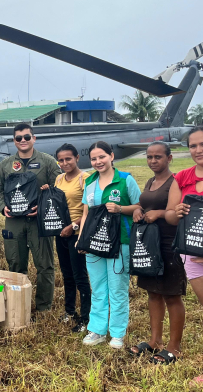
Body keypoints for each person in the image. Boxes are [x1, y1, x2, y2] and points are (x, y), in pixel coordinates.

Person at [165, 127, 203, 385]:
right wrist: (176, 211)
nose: (198, 150)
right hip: (192, 255)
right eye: (192, 146)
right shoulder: (182, 177)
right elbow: (169, 215)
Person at [0, 123, 61, 312]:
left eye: (27, 137)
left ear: (33, 139)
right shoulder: (5, 165)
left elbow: (60, 187)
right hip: (14, 222)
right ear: (14, 141)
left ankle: (44, 307)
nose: (23, 141)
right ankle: (19, 305)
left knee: (45, 265)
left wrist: (44, 207)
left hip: (39, 222)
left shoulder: (47, 162)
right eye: (18, 138)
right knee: (15, 265)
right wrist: (3, 207)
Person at [78, 141, 141, 349]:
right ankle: (97, 329)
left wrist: (120, 209)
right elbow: (86, 213)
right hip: (94, 243)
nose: (98, 162)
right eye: (94, 159)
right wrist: (81, 239)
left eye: (102, 157)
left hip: (119, 242)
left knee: (117, 289)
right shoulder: (90, 183)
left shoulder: (125, 180)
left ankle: (117, 333)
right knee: (97, 287)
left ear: (111, 156)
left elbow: (140, 207)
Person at [128, 142, 186, 363]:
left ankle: (174, 346)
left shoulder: (175, 182)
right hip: (149, 244)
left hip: (169, 244)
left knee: (172, 295)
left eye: (158, 157)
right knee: (153, 293)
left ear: (169, 158)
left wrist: (159, 213)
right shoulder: (151, 181)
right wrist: (138, 210)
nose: (153, 161)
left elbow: (174, 213)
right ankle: (155, 341)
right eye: (149, 157)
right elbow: (144, 204)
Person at [46, 143, 91, 332]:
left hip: (76, 234)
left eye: (68, 159)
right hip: (61, 233)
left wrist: (73, 227)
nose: (64, 163)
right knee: (67, 275)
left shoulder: (85, 179)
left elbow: (91, 210)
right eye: (61, 160)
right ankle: (69, 311)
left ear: (77, 158)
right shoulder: (58, 179)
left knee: (80, 276)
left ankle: (86, 317)